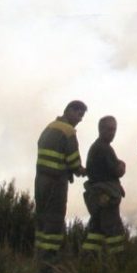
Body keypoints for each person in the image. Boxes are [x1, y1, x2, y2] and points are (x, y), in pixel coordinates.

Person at [34, 100, 86, 259]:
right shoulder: (68, 131)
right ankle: (49, 261)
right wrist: (82, 171)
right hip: (55, 183)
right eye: (79, 114)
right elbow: (74, 161)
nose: (80, 119)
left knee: (42, 220)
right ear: (69, 110)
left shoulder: (49, 127)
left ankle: (39, 257)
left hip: (40, 181)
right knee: (54, 221)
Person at [82, 115, 127, 254]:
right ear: (100, 129)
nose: (112, 133)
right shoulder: (104, 149)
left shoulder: (97, 147)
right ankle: (119, 261)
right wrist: (122, 165)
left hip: (98, 196)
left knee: (96, 230)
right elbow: (117, 171)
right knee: (113, 230)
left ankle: (88, 261)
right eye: (109, 129)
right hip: (106, 196)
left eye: (114, 129)